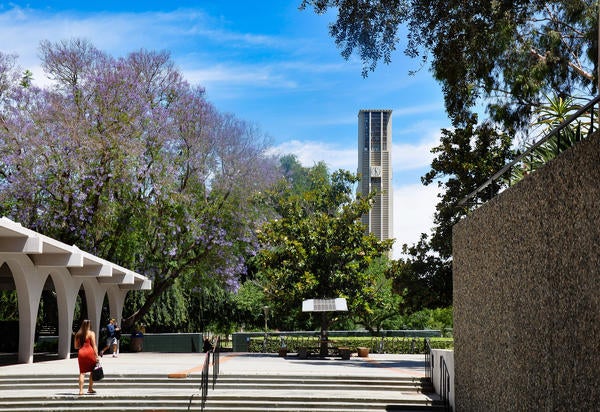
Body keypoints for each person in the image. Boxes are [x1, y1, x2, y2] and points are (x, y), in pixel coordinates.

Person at [74, 319, 100, 395]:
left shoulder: (78, 334)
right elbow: (94, 345)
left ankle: (81, 391)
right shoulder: (91, 333)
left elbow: (76, 347)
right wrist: (97, 355)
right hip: (90, 352)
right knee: (92, 371)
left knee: (82, 373)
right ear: (88, 325)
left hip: (81, 353)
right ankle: (90, 388)